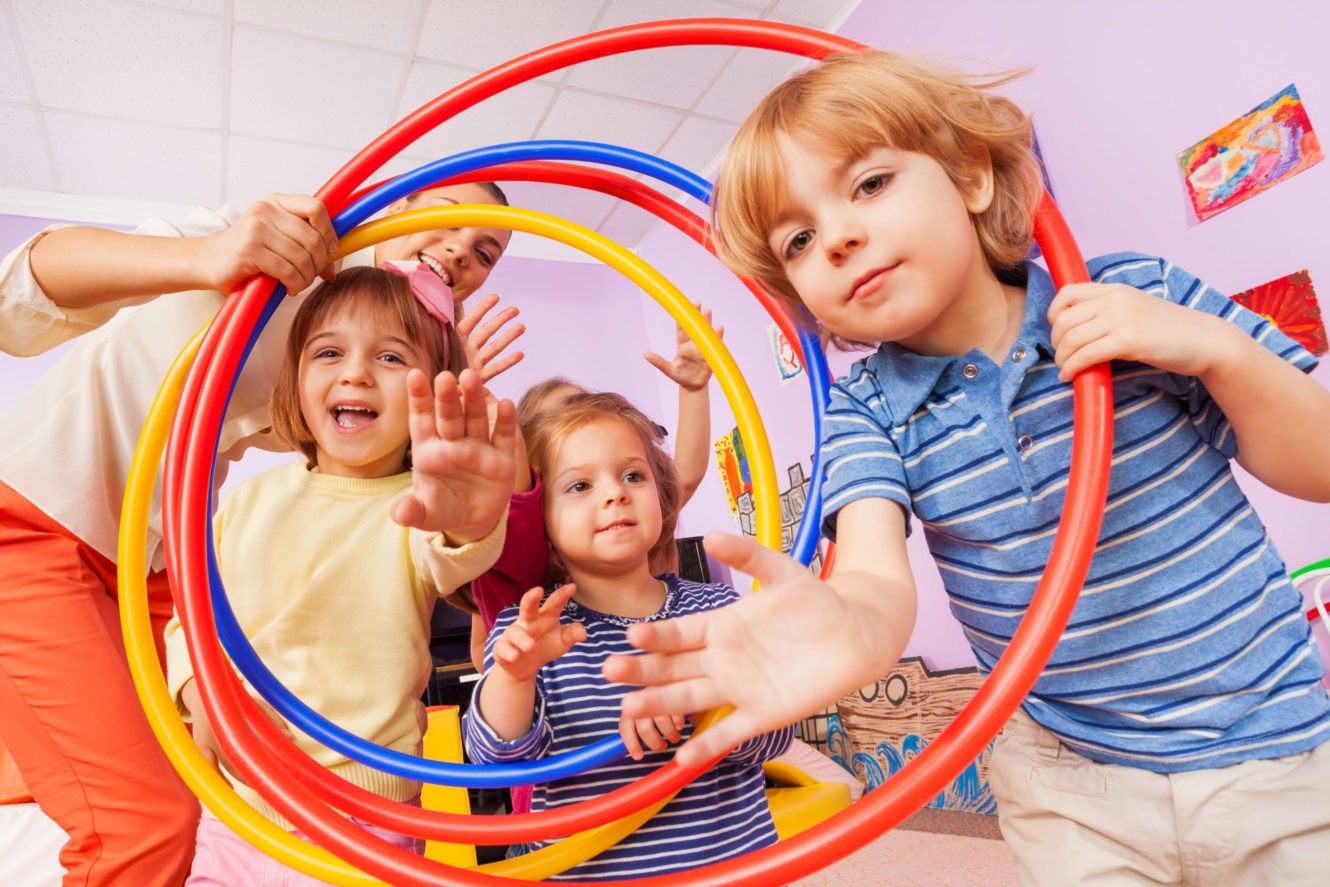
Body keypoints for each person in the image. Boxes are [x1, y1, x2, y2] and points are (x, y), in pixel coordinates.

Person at [604, 49, 1330, 885]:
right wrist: (852, 630)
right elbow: (874, 574)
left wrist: (1221, 353)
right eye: (799, 238)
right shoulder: (868, 409)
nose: (837, 236)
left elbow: (1316, 466)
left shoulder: (1130, 295)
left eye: (869, 184)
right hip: (1069, 777)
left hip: (1273, 742)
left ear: (973, 176)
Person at [0, 182, 519, 886]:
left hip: (155, 561)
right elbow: (18, 291)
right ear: (396, 205)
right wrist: (210, 256)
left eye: (486, 250)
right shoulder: (268, 238)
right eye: (454, 219)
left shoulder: (369, 392)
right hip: (37, 518)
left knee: (175, 787)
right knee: (147, 820)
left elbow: (436, 534)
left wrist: (443, 419)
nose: (463, 250)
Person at [164, 262, 516, 881]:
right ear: (294, 378)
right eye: (329, 351)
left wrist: (473, 521)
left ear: (430, 390)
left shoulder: (422, 503)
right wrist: (203, 697)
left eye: (388, 358)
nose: (354, 371)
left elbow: (458, 552)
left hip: (368, 816)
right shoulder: (246, 500)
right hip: (242, 805)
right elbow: (190, 619)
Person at [462, 392, 792, 881]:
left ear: (661, 494)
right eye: (579, 485)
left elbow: (776, 735)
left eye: (632, 476)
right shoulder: (529, 629)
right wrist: (515, 675)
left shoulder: (719, 609)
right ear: (541, 522)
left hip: (731, 870)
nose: (614, 493)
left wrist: (704, 696)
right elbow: (496, 757)